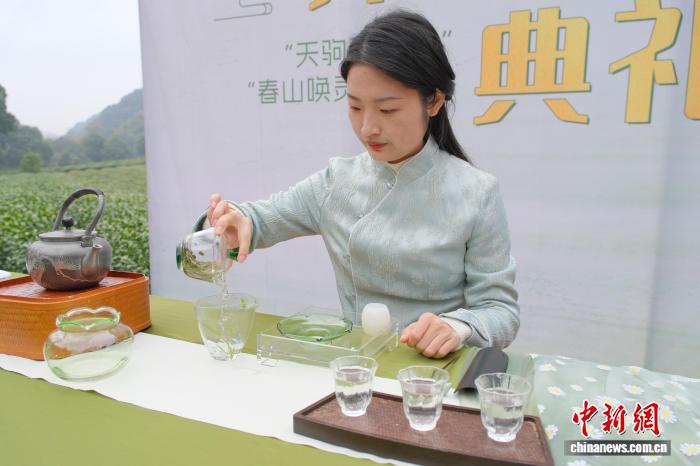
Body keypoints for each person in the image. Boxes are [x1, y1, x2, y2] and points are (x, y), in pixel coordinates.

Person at [200, 10, 519, 358]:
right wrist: (230, 223)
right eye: (355, 107)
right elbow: (258, 220)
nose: (367, 128)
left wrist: (456, 327)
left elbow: (500, 311)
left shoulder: (476, 192)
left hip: (434, 374)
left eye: (387, 110)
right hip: (355, 369)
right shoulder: (337, 183)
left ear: (434, 101)